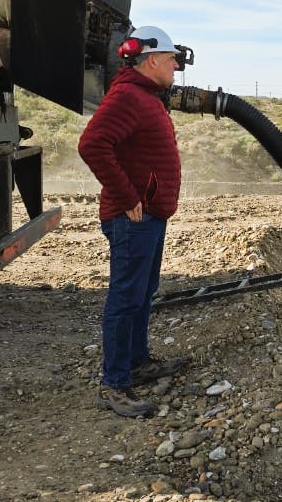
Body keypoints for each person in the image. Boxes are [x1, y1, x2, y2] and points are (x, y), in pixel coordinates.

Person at [78, 25, 190, 417]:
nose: (176, 67)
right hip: (133, 218)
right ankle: (115, 383)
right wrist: (127, 197)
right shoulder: (128, 95)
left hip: (150, 215)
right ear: (152, 59)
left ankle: (138, 363)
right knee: (126, 297)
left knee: (143, 292)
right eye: (172, 59)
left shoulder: (146, 96)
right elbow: (92, 145)